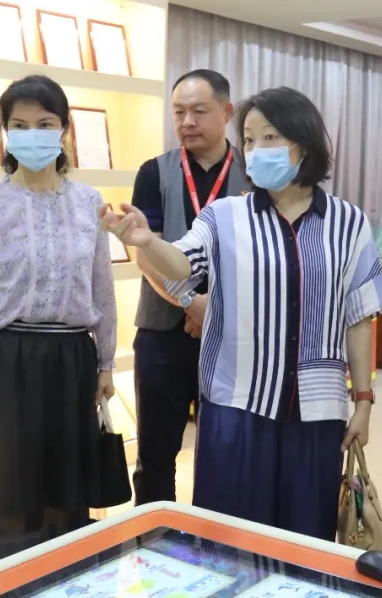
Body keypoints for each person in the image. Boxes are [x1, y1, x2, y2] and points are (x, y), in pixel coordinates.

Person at [102, 86, 382, 540]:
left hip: (317, 409)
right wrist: (148, 242)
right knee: (229, 537)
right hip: (236, 406)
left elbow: (359, 315)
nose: (255, 150)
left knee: (305, 537)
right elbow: (183, 265)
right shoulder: (224, 216)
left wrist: (364, 402)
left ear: (304, 144)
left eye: (270, 138)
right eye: (249, 140)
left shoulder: (348, 223)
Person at [0, 75, 117, 571]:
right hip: (10, 363)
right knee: (12, 483)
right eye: (19, 124)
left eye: (45, 124)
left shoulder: (89, 203)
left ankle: (67, 576)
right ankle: (12, 578)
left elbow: (102, 289)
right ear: (5, 132)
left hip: (73, 360)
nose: (33, 134)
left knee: (67, 480)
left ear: (65, 129)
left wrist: (106, 362)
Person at [128, 69, 248, 505]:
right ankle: (153, 537)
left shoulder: (253, 173)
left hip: (236, 333)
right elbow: (145, 252)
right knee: (156, 453)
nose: (187, 122)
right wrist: (190, 302)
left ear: (227, 112)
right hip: (163, 331)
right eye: (179, 112)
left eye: (199, 111)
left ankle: (220, 534)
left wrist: (215, 308)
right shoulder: (154, 172)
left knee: (230, 448)